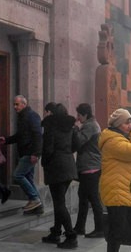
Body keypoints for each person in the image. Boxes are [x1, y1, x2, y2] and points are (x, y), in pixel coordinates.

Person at [98, 108, 131, 252]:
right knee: (117, 233)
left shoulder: (124, 138)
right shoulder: (112, 140)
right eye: (127, 123)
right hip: (118, 194)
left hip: (130, 191)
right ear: (118, 124)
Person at [40, 103, 78, 249]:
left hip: (56, 167)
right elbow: (77, 144)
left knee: (59, 203)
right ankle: (56, 232)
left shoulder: (51, 127)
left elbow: (48, 149)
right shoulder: (71, 128)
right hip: (68, 166)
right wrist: (66, 152)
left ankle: (71, 235)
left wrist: (45, 162)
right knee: (59, 201)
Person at [0, 95, 43, 215]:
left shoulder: (32, 116)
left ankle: (34, 199)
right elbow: (20, 136)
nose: (14, 107)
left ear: (24, 104)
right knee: (28, 179)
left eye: (17, 104)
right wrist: (6, 140)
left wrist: (36, 153)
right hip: (25, 152)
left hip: (29, 153)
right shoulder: (23, 117)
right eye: (14, 104)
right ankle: (38, 207)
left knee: (18, 175)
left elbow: (38, 135)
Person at [72, 103, 104, 238]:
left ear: (85, 114)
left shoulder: (90, 126)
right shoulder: (90, 125)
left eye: (79, 115)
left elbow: (79, 141)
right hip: (88, 167)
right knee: (83, 198)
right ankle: (80, 227)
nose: (77, 118)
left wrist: (74, 129)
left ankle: (100, 228)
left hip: (91, 167)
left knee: (93, 198)